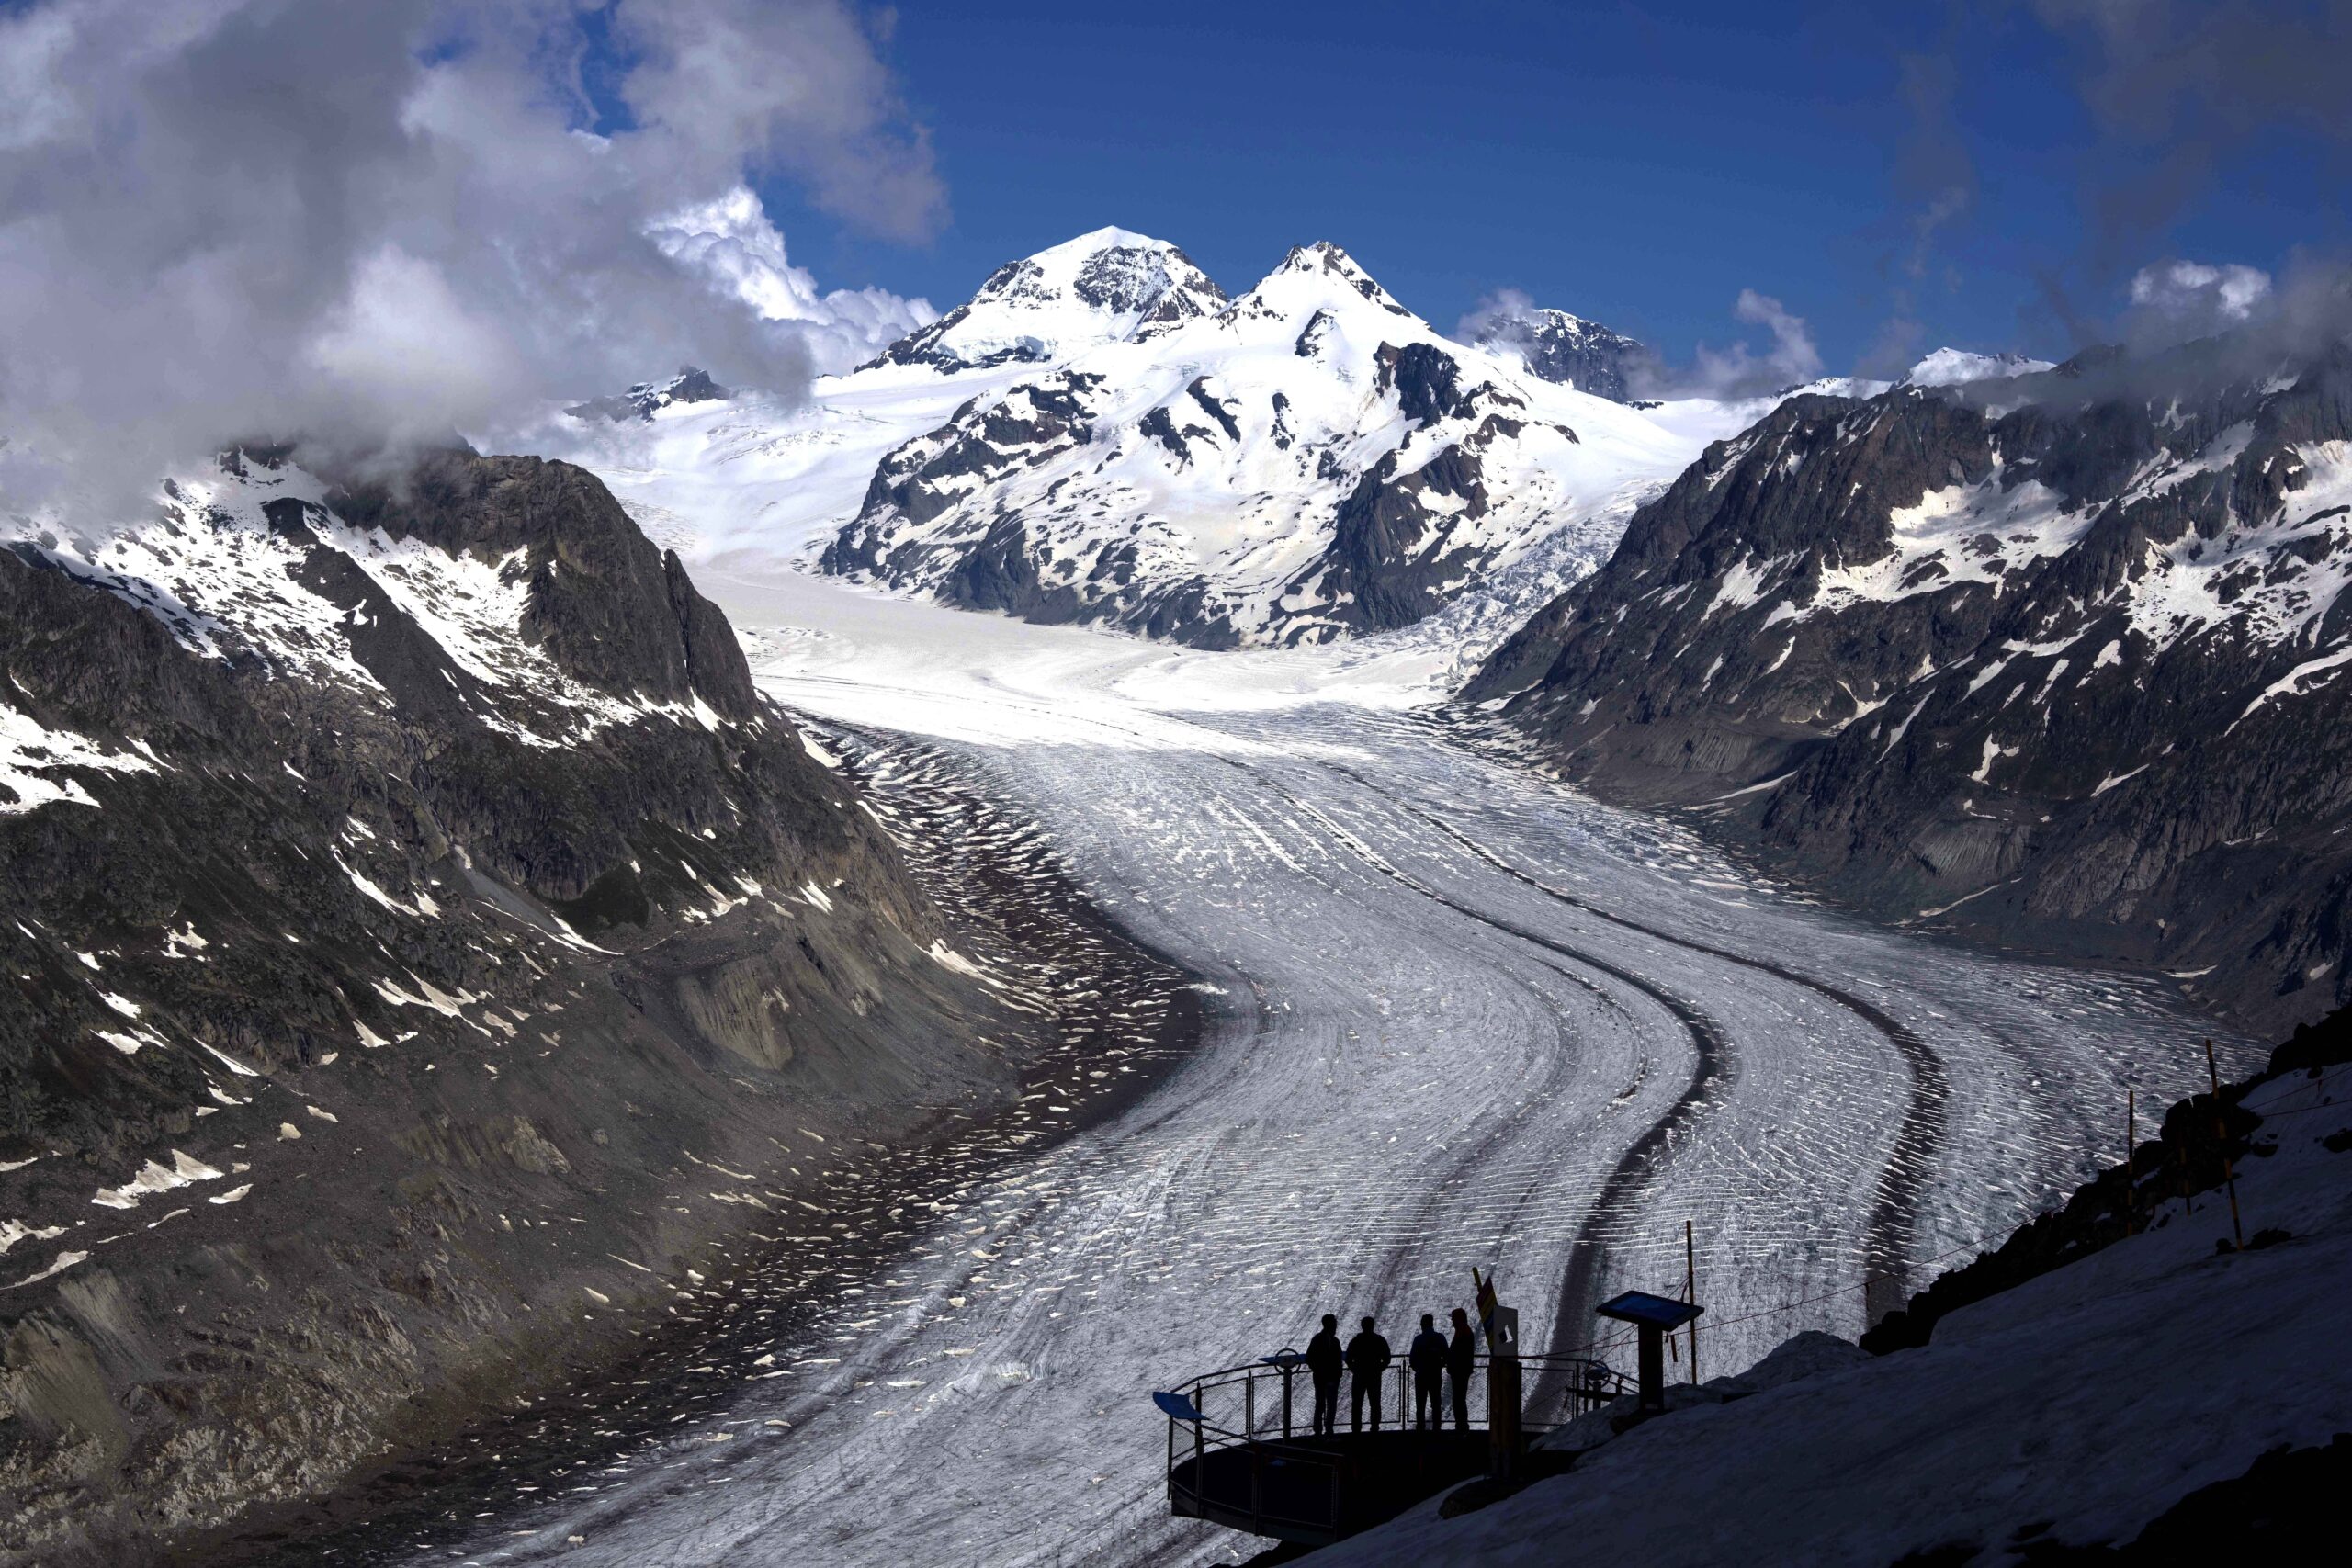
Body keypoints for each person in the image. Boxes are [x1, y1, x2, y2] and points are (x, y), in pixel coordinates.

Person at [1345, 1314, 1393, 1431]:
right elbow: (1387, 1358)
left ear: (1362, 1326)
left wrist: (1354, 1368)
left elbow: (1348, 1358)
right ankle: (1375, 1426)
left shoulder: (1356, 1340)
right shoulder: (1379, 1340)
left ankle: (1356, 1428)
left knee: (1357, 1403)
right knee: (1375, 1402)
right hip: (1374, 1375)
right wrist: (1379, 1368)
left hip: (1359, 1375)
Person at [1306, 1314, 1344, 1437]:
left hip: (1320, 1378)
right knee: (1330, 1406)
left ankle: (1318, 1432)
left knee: (1320, 1404)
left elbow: (1309, 1358)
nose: (1336, 1326)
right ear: (1330, 1325)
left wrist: (1317, 1370)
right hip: (1331, 1378)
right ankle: (1328, 1431)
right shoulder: (1334, 1340)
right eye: (1334, 1323)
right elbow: (1338, 1360)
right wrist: (1337, 1375)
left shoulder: (1317, 1339)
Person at [1408, 1313, 1449, 1431]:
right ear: (1432, 1323)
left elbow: (1412, 1359)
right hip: (1435, 1374)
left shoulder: (1418, 1339)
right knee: (1436, 1403)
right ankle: (1437, 1428)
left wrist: (1419, 1368)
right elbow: (1447, 1355)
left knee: (1420, 1404)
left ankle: (1420, 1427)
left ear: (1422, 1325)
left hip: (1421, 1375)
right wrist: (1440, 1365)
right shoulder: (1440, 1338)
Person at [1446, 1306, 1478, 1431]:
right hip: (1460, 1370)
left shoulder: (1463, 1332)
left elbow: (1459, 1352)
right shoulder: (1464, 1331)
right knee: (1459, 1400)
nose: (1452, 1321)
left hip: (1460, 1371)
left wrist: (1451, 1360)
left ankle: (1462, 1426)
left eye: (1453, 1319)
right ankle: (1461, 1425)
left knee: (1458, 1400)